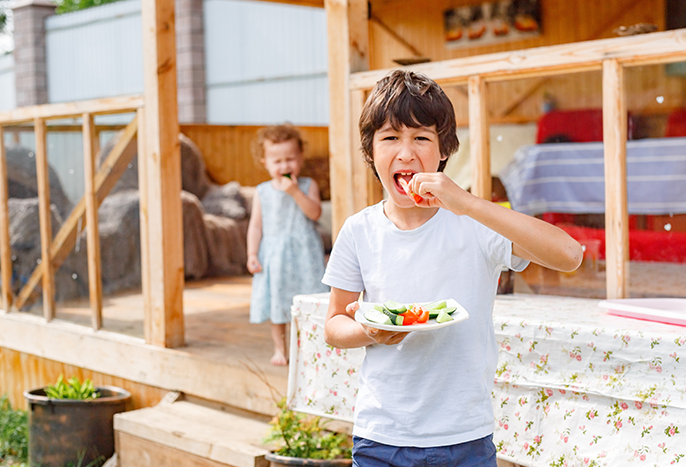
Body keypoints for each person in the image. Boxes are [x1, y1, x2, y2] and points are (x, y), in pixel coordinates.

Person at [322, 70, 583, 466]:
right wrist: (369, 331)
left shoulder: (474, 223)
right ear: (370, 152)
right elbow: (334, 326)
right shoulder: (359, 230)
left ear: (443, 150)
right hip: (381, 437)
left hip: (465, 437)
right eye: (390, 138)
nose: (406, 153)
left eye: (421, 138)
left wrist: (468, 203)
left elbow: (569, 254)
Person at [247, 123, 329, 366]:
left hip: (304, 255)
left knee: (308, 301)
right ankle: (280, 349)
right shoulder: (262, 191)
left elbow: (314, 213)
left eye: (290, 159)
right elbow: (256, 226)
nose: (284, 166)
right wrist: (252, 253)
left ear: (300, 157)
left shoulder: (307, 185)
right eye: (277, 161)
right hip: (275, 257)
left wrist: (294, 192)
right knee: (278, 302)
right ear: (265, 162)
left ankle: (310, 346)